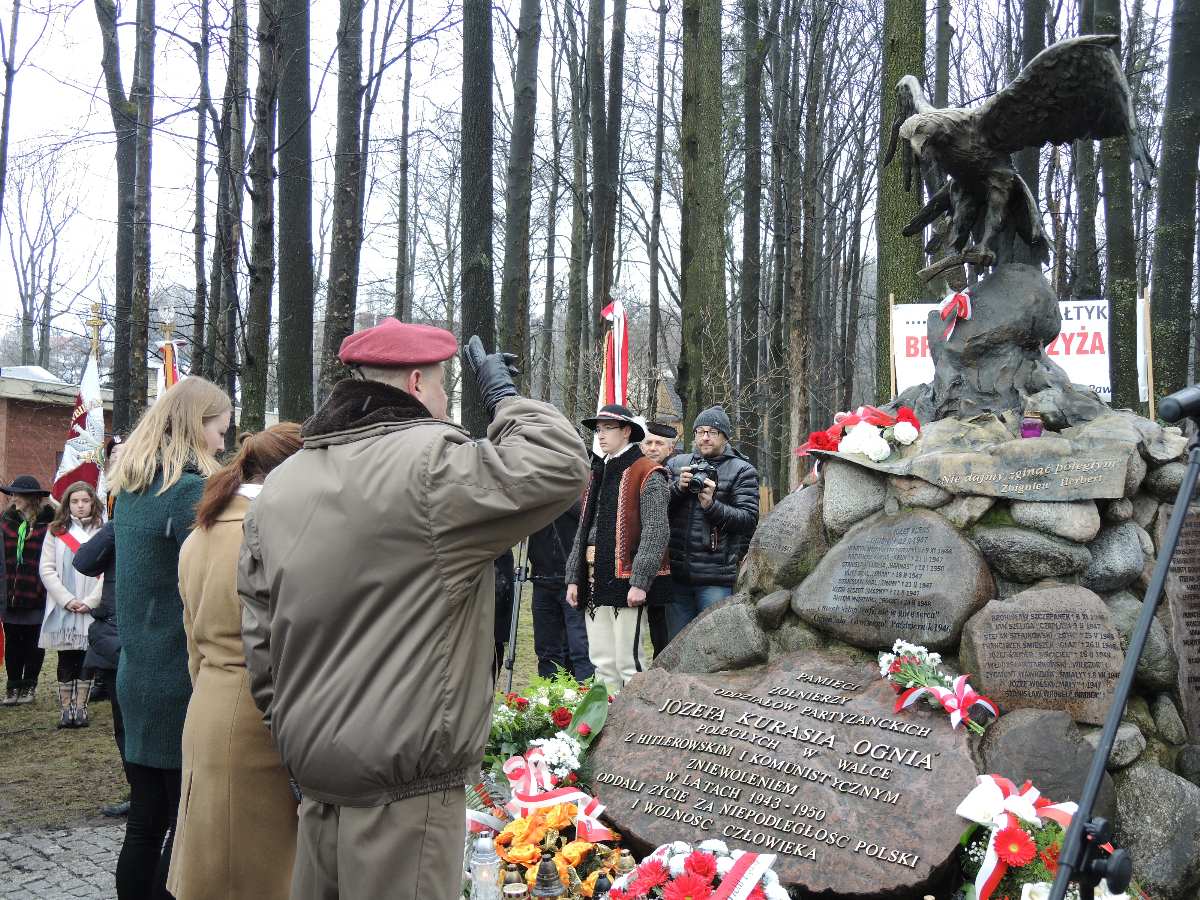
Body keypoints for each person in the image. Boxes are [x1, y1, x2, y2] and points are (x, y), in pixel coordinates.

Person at [239, 319, 589, 899]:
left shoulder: (282, 484)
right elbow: (560, 463)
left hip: (317, 772)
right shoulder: (430, 467)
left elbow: (259, 638)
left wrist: (297, 734)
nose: (446, 399)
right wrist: (505, 399)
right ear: (418, 382)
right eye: (445, 385)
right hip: (406, 786)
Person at [109, 376, 232, 900]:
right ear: (194, 426)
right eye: (219, 431)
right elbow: (214, 586)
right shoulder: (187, 493)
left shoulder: (133, 489)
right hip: (177, 681)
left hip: (135, 674)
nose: (223, 445)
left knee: (145, 820)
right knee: (183, 829)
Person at [167, 424, 302, 900]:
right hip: (259, 717)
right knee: (256, 874)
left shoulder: (200, 534)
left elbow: (193, 644)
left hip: (208, 704)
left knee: (217, 867)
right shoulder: (273, 534)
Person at [564, 405, 670, 694]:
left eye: (607, 429)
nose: (600, 435)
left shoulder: (648, 472)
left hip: (626, 580)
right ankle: (606, 718)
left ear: (625, 431)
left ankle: (634, 720)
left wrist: (640, 581)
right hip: (593, 577)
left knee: (628, 663)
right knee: (602, 663)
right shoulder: (598, 472)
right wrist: (574, 577)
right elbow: (584, 529)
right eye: (598, 429)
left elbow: (656, 531)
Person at [665, 406, 760, 640]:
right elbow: (657, 510)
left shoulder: (742, 470)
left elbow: (748, 520)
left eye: (713, 432)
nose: (705, 437)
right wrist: (678, 489)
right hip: (677, 575)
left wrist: (712, 506)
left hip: (715, 578)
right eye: (700, 431)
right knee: (676, 645)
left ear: (725, 437)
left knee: (714, 645)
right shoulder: (677, 465)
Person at [75, 437, 128, 815]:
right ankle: (138, 793)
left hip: (138, 635)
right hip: (112, 635)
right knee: (122, 726)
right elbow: (85, 561)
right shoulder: (116, 515)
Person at [39, 480, 104, 728]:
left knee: (87, 658)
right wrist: (66, 600)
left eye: (85, 500)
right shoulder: (56, 531)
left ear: (93, 503)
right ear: (67, 504)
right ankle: (66, 710)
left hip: (90, 606)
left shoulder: (103, 531)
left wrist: (90, 602)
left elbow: (108, 571)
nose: (80, 505)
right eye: (75, 501)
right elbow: (47, 569)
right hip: (63, 605)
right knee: (66, 657)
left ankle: (81, 707)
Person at [1, 476, 55, 706]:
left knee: (34, 641)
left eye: (17, 494)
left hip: (37, 593)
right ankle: (13, 686)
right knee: (13, 641)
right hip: (11, 594)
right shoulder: (4, 523)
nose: (13, 498)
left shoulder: (49, 525)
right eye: (12, 494)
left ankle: (29, 685)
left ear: (31, 498)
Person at [528, 502, 593, 680]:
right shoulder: (536, 492)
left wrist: (556, 498)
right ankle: (551, 694)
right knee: (546, 650)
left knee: (580, 648)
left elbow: (587, 514)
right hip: (542, 577)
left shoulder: (574, 489)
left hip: (574, 579)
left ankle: (585, 693)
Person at [639, 421, 681, 657]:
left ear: (670, 449)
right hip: (641, 561)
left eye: (659, 443)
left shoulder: (679, 473)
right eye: (648, 443)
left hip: (671, 564)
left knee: (664, 632)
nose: (653, 448)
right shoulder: (635, 473)